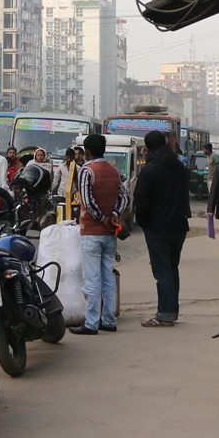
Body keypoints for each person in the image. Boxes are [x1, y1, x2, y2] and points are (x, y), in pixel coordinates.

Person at [70, 133, 129, 335]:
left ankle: (91, 323)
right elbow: (124, 197)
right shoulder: (113, 170)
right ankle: (109, 320)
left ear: (86, 152)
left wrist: (100, 217)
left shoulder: (87, 170)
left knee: (92, 280)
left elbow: (86, 200)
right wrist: (113, 214)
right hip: (109, 234)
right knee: (108, 277)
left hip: (91, 233)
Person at [133, 130, 189, 327]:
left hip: (157, 227)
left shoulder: (150, 169)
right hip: (179, 226)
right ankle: (171, 311)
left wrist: (143, 222)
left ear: (147, 148)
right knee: (172, 269)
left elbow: (141, 200)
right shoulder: (179, 167)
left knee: (162, 271)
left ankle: (165, 314)